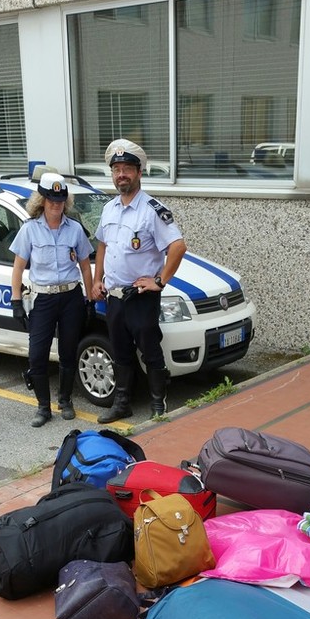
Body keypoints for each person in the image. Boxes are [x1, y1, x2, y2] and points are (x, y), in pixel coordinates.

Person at [91, 138, 187, 423]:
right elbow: (102, 245)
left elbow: (178, 246)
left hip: (141, 296)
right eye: (117, 168)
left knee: (150, 350)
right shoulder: (109, 208)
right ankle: (122, 404)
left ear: (139, 172)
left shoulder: (152, 209)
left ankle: (158, 405)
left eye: (127, 169)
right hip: (114, 296)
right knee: (120, 352)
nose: (121, 174)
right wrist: (97, 281)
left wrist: (160, 280)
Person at [10, 171, 93, 427]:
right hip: (43, 300)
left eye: (60, 200)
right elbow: (18, 267)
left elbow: (85, 265)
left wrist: (89, 298)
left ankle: (65, 401)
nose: (56, 205)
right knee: (37, 355)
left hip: (70, 297)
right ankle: (43, 407)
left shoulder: (75, 229)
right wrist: (15, 301)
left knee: (68, 353)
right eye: (51, 200)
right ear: (42, 200)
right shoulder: (30, 230)